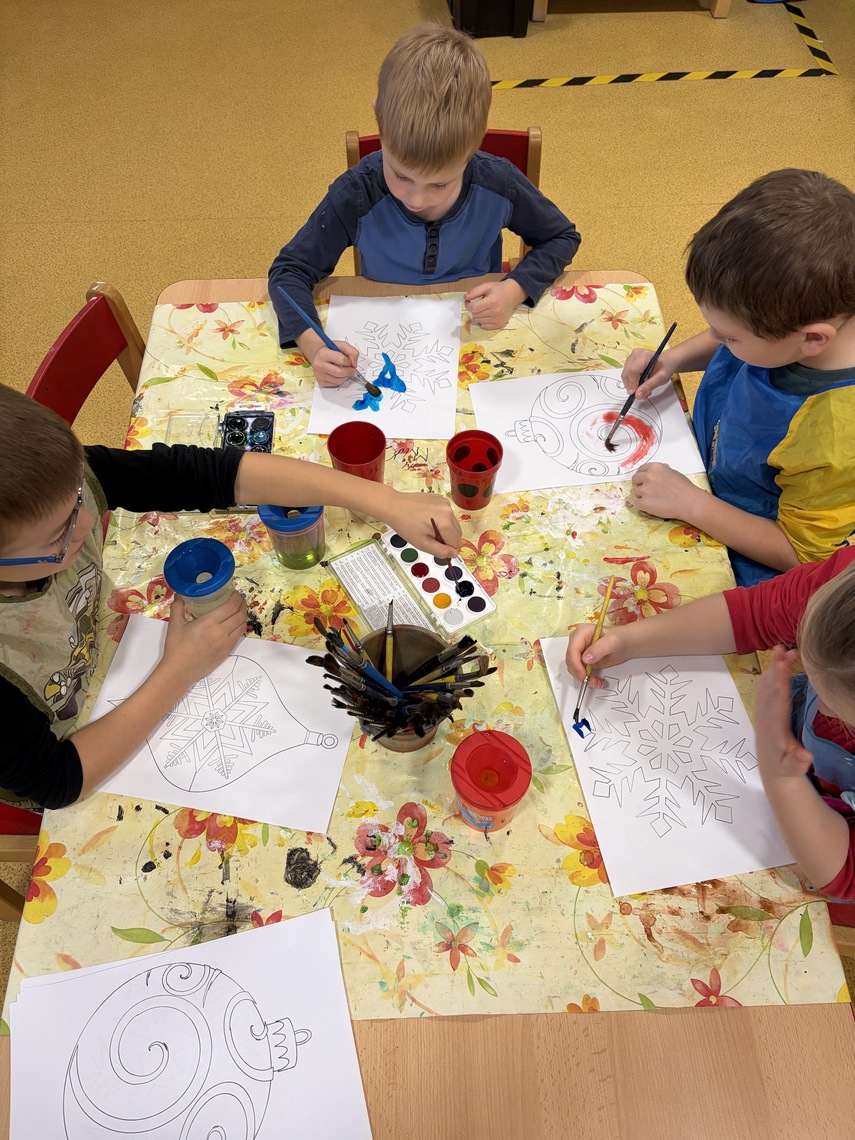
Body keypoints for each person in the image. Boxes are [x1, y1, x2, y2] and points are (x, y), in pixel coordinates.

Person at [0, 384, 461, 810]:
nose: (89, 524)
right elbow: (57, 781)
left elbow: (214, 474)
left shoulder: (54, 489)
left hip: (96, 647)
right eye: (59, 536)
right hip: (77, 742)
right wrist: (181, 668)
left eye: (80, 497)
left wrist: (384, 501)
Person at [268, 23, 580, 387]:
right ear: (379, 120)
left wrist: (514, 290)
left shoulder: (498, 183)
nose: (416, 199)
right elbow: (289, 272)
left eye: (441, 184)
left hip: (476, 344)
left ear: (477, 141)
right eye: (401, 175)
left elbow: (561, 237)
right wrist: (315, 345)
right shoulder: (356, 194)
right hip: (385, 336)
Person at [565, 547, 855, 899]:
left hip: (819, 833)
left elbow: (844, 874)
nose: (820, 705)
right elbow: (752, 615)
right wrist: (630, 641)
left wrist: (781, 776)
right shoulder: (845, 589)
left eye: (835, 707)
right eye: (809, 667)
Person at [621, 168, 855, 587]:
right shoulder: (800, 326)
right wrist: (674, 358)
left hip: (748, 541)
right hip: (707, 466)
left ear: (812, 339)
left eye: (729, 337)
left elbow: (803, 557)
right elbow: (741, 332)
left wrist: (693, 504)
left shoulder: (837, 436)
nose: (717, 339)